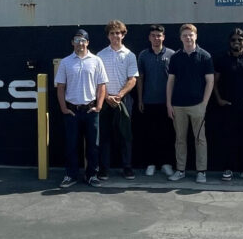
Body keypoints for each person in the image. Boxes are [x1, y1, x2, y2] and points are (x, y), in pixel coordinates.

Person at [54, 29, 108, 188]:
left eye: (83, 40)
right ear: (72, 43)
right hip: (72, 111)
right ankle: (70, 175)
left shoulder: (96, 61)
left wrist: (98, 106)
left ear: (88, 42)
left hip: (91, 111)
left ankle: (92, 175)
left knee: (93, 146)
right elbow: (61, 87)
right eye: (77, 40)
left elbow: (101, 85)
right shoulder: (65, 62)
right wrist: (63, 108)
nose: (80, 44)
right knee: (71, 145)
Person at [166, 23, 214, 184]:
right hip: (178, 105)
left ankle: (201, 172)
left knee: (200, 139)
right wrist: (168, 104)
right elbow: (170, 82)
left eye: (190, 35)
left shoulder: (205, 56)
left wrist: (204, 104)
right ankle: (180, 170)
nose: (188, 38)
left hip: (197, 105)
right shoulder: (176, 57)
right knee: (180, 139)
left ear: (196, 36)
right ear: (181, 38)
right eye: (185, 35)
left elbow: (210, 81)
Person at [213, 28, 243, 182]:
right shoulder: (221, 59)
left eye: (239, 39)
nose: (236, 42)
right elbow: (214, 82)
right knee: (228, 139)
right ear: (230, 42)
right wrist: (219, 99)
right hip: (228, 107)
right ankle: (228, 169)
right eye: (233, 39)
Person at [96, 20, 139, 180]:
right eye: (112, 33)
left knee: (125, 135)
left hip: (124, 100)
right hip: (105, 99)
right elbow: (98, 80)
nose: (115, 36)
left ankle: (127, 167)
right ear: (108, 36)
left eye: (118, 33)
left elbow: (133, 79)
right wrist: (107, 97)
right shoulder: (100, 55)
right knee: (105, 136)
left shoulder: (130, 55)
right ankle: (104, 169)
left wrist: (120, 95)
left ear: (123, 34)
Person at [136, 25, 176, 178]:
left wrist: (171, 102)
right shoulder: (143, 55)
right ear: (149, 38)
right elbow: (140, 79)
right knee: (150, 134)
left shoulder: (172, 54)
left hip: (166, 103)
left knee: (166, 134)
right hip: (148, 101)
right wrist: (140, 99)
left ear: (163, 37)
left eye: (159, 35)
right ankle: (151, 164)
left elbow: (174, 80)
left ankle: (166, 164)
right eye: (153, 35)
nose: (156, 38)